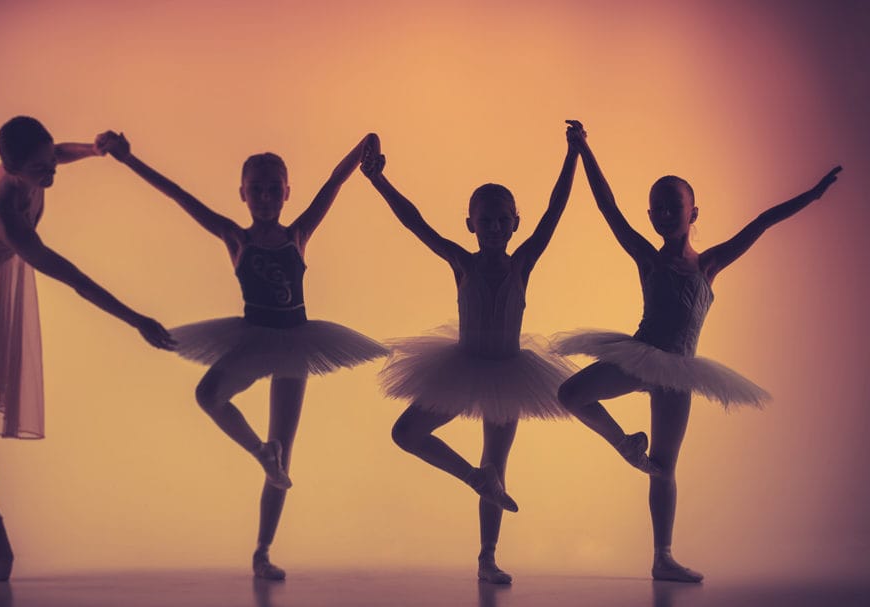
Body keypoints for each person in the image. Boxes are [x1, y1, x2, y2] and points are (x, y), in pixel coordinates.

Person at [554, 120, 842, 582]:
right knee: (570, 394)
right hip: (641, 355)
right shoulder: (647, 257)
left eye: (675, 206)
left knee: (665, 467)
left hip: (680, 371)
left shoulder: (709, 265)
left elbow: (762, 222)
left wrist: (810, 197)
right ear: (650, 217)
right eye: (658, 208)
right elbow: (608, 208)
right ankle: (625, 444)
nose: (666, 213)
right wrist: (584, 151)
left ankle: (662, 557)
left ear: (693, 213)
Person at [0, 116, 175, 581]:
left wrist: (92, 149)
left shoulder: (28, 167)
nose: (51, 172)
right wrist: (136, 319)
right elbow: (75, 280)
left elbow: (59, 153)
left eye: (50, 160)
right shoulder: (5, 219)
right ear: (11, 168)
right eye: (39, 168)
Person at [98, 130, 387, 580]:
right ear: (243, 194)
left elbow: (333, 183)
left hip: (295, 341)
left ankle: (262, 552)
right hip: (253, 338)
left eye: (276, 189)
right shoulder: (234, 237)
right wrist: (128, 160)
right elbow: (177, 195)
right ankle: (259, 451)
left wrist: (364, 144)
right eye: (258, 189)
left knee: (285, 455)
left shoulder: (298, 233)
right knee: (209, 394)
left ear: (288, 192)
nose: (267, 197)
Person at [360, 127, 578, 584]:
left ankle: (487, 558)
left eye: (503, 220)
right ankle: (471, 477)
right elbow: (414, 222)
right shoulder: (462, 261)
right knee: (407, 433)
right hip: (460, 369)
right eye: (486, 220)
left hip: (510, 373)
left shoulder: (523, 262)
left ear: (515, 223)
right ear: (471, 224)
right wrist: (380, 182)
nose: (495, 228)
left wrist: (573, 155)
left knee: (497, 466)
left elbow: (556, 212)